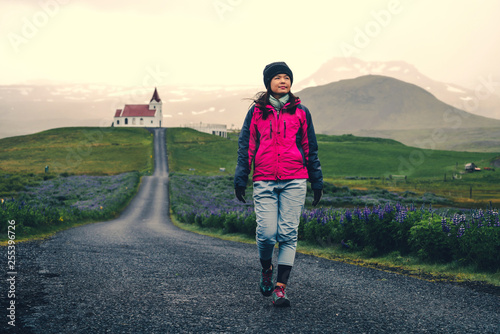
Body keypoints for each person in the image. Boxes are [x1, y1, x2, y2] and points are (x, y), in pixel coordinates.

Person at [234, 61, 323, 307]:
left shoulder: (302, 112)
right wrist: (241, 177)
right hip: (264, 180)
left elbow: (310, 148)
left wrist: (316, 181)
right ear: (268, 83)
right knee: (266, 234)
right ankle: (266, 269)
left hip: (295, 179)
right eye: (277, 78)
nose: (283, 81)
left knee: (288, 234)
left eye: (286, 77)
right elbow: (247, 146)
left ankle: (280, 288)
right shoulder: (256, 113)